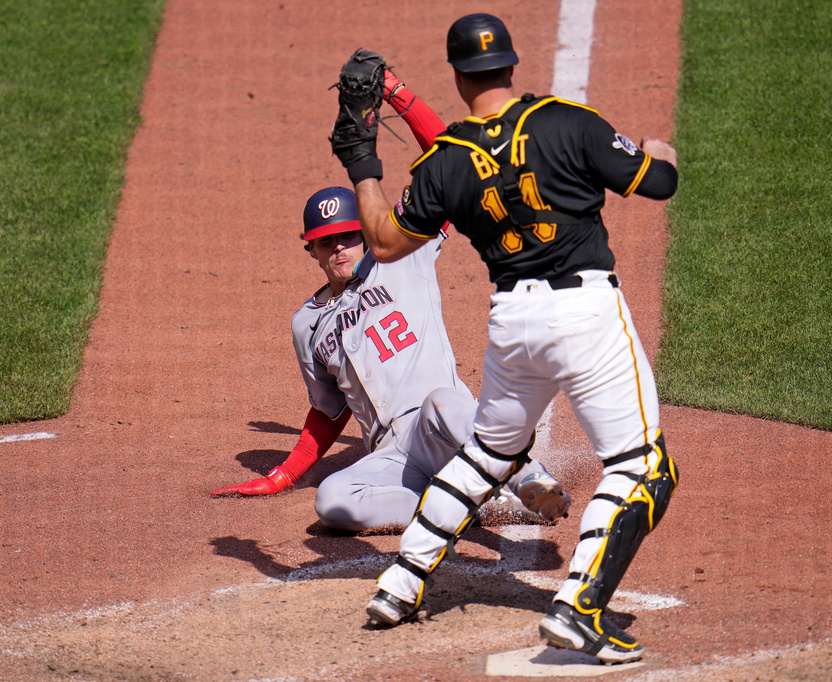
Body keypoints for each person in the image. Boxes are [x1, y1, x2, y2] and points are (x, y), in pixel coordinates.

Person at [333, 14, 680, 664]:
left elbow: (380, 241)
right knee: (643, 466)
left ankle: (400, 583)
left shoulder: (443, 164)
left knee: (487, 457)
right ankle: (578, 612)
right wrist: (660, 151)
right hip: (586, 316)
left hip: (513, 326)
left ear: (459, 78)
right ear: (512, 66)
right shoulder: (566, 121)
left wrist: (361, 159)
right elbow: (658, 183)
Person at [211, 70, 571, 532]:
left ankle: (529, 480)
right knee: (333, 502)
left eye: (348, 236)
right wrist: (281, 476)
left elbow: (450, 160)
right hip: (392, 453)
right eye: (326, 242)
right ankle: (465, 506)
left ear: (365, 233)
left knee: (441, 400)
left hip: (442, 426)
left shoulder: (401, 253)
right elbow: (327, 413)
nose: (339, 247)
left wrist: (397, 94)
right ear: (311, 250)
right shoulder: (307, 324)